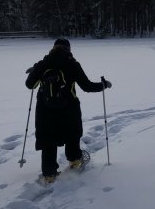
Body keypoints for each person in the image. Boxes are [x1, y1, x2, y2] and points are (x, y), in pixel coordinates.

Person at [25, 38, 112, 183]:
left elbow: (30, 85)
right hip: (69, 109)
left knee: (48, 141)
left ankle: (49, 174)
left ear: (53, 48)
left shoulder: (42, 64)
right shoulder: (72, 64)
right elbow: (87, 86)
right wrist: (103, 85)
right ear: (69, 50)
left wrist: (34, 70)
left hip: (44, 111)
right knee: (72, 135)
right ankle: (75, 161)